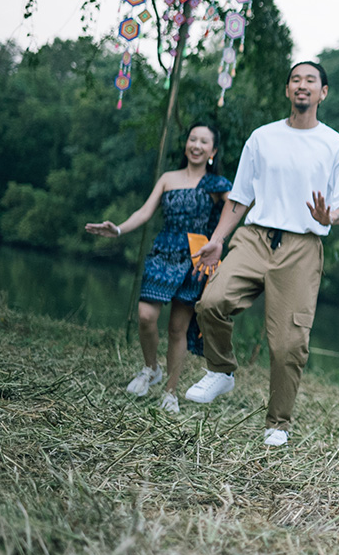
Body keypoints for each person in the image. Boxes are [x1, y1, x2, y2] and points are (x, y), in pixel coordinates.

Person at [185, 61, 339, 447]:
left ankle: (278, 422)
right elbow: (239, 197)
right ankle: (221, 370)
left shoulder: (335, 144)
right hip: (254, 237)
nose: (302, 85)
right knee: (211, 302)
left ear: (323, 92)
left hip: (302, 246)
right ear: (287, 90)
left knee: (288, 343)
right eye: (295, 79)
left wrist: (331, 215)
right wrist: (217, 239)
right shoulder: (262, 138)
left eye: (310, 80)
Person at [85, 123, 231, 413]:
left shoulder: (218, 185)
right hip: (163, 252)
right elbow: (144, 212)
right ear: (186, 144)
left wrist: (220, 243)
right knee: (145, 316)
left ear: (213, 151)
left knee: (178, 328)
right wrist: (118, 229)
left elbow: (237, 209)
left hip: (195, 258)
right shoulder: (168, 178)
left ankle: (170, 392)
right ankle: (151, 368)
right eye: (192, 139)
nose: (196, 145)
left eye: (204, 142)